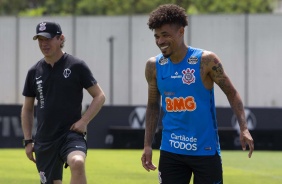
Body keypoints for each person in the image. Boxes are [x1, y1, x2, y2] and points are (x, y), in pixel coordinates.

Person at [141, 4, 254, 184]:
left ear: (181, 31)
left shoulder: (206, 61)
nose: (160, 41)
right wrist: (147, 145)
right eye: (156, 36)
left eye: (165, 35)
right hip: (171, 150)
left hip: (205, 150)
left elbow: (232, 93)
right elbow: (153, 105)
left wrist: (244, 128)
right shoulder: (153, 66)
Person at [21, 21, 106, 184]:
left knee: (78, 162)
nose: (43, 44)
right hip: (44, 140)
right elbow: (27, 109)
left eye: (48, 39)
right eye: (40, 40)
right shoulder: (34, 71)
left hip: (71, 134)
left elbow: (99, 96)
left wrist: (84, 121)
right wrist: (28, 141)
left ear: (60, 39)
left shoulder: (76, 65)